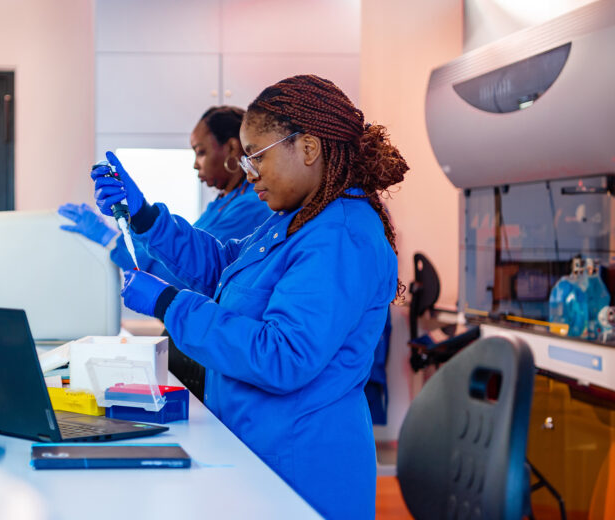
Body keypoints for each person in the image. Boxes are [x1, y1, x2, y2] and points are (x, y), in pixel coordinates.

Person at [91, 75, 408, 520]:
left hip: (301, 469)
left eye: (256, 158)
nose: (248, 173)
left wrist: (168, 304)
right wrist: (145, 218)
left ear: (309, 148)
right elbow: (224, 267)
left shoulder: (339, 234)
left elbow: (283, 355)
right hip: (260, 448)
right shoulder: (298, 219)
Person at [59, 106, 275, 398]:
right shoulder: (223, 202)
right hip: (197, 335)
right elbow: (201, 259)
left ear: (232, 149)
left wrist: (113, 239)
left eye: (200, 151)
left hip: (211, 342)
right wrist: (140, 216)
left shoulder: (252, 206)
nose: (195, 165)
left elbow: (190, 275)